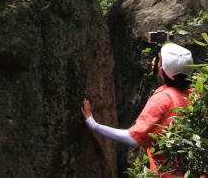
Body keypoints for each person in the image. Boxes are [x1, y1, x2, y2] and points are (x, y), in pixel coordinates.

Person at [82, 42, 195, 177]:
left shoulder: (163, 99)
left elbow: (132, 139)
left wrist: (93, 125)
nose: (154, 61)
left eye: (159, 60)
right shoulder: (196, 93)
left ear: (162, 69)